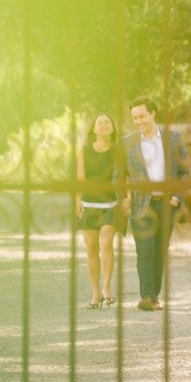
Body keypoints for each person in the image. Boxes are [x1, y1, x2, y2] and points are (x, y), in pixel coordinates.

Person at [124, 95, 189, 312]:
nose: (139, 121)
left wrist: (176, 198)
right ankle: (147, 296)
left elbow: (185, 172)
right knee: (145, 250)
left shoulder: (174, 139)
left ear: (153, 113)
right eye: (135, 118)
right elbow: (120, 175)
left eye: (142, 116)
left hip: (167, 203)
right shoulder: (128, 143)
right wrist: (124, 199)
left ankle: (154, 297)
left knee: (160, 250)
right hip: (141, 204)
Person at [75, 112, 124, 308]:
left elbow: (124, 177)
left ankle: (107, 288)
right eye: (100, 122)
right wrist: (77, 199)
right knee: (92, 248)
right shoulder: (84, 151)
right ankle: (95, 293)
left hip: (111, 205)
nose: (104, 125)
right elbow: (80, 178)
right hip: (89, 205)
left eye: (107, 122)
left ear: (112, 129)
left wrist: (126, 198)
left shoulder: (119, 151)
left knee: (106, 243)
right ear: (94, 129)